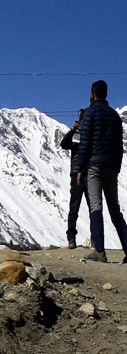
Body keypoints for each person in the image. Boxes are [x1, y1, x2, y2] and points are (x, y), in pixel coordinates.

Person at [76, 80, 127, 263]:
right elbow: (119, 144)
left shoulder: (90, 113)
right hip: (112, 167)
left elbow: (85, 143)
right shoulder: (114, 116)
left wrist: (81, 168)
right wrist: (117, 166)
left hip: (95, 166)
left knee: (96, 207)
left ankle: (100, 251)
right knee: (115, 210)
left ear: (92, 93)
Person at [62, 110, 90, 248]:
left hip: (87, 173)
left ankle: (75, 238)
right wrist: (73, 130)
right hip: (80, 174)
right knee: (75, 207)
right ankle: (71, 237)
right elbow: (64, 144)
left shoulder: (89, 135)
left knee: (91, 208)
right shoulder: (77, 138)